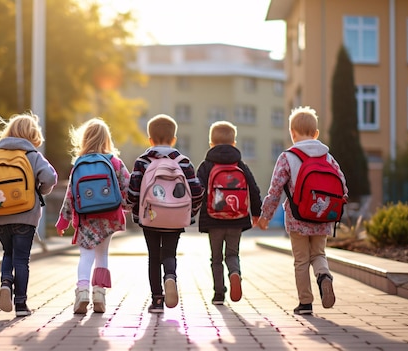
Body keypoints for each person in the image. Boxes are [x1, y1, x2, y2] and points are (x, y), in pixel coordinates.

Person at [257, 106, 348, 315]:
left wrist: (265, 217)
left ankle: (305, 302)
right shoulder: (328, 157)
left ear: (292, 133)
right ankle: (324, 275)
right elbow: (342, 186)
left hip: (297, 218)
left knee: (301, 260)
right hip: (323, 218)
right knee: (318, 254)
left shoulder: (287, 157)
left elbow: (275, 190)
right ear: (316, 134)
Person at [0, 112, 58, 317]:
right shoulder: (33, 156)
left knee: (8, 253)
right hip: (26, 215)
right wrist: (40, 192)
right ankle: (20, 305)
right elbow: (50, 177)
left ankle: (5, 282)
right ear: (33, 135)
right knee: (21, 259)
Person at [127, 114, 204, 313]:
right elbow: (196, 191)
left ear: (150, 139)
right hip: (175, 218)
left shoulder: (142, 161)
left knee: (153, 256)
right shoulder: (183, 162)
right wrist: (190, 213)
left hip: (150, 217)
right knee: (169, 253)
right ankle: (170, 276)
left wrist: (135, 212)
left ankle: (157, 300)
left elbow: (134, 192)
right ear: (174, 139)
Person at [55, 118, 131, 314]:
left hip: (86, 217)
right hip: (109, 217)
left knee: (85, 256)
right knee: (102, 255)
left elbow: (70, 195)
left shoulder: (79, 164)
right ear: (107, 139)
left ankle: (82, 292)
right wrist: (129, 206)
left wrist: (63, 221)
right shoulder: (114, 161)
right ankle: (99, 294)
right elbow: (127, 187)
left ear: (84, 139)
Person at [196, 121, 262, 305]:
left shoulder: (206, 165)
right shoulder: (240, 164)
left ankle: (219, 294)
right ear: (234, 143)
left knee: (216, 258)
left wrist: (193, 211)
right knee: (232, 254)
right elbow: (254, 189)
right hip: (237, 218)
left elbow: (197, 189)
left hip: (213, 218)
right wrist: (256, 213)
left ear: (211, 143)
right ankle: (235, 273)